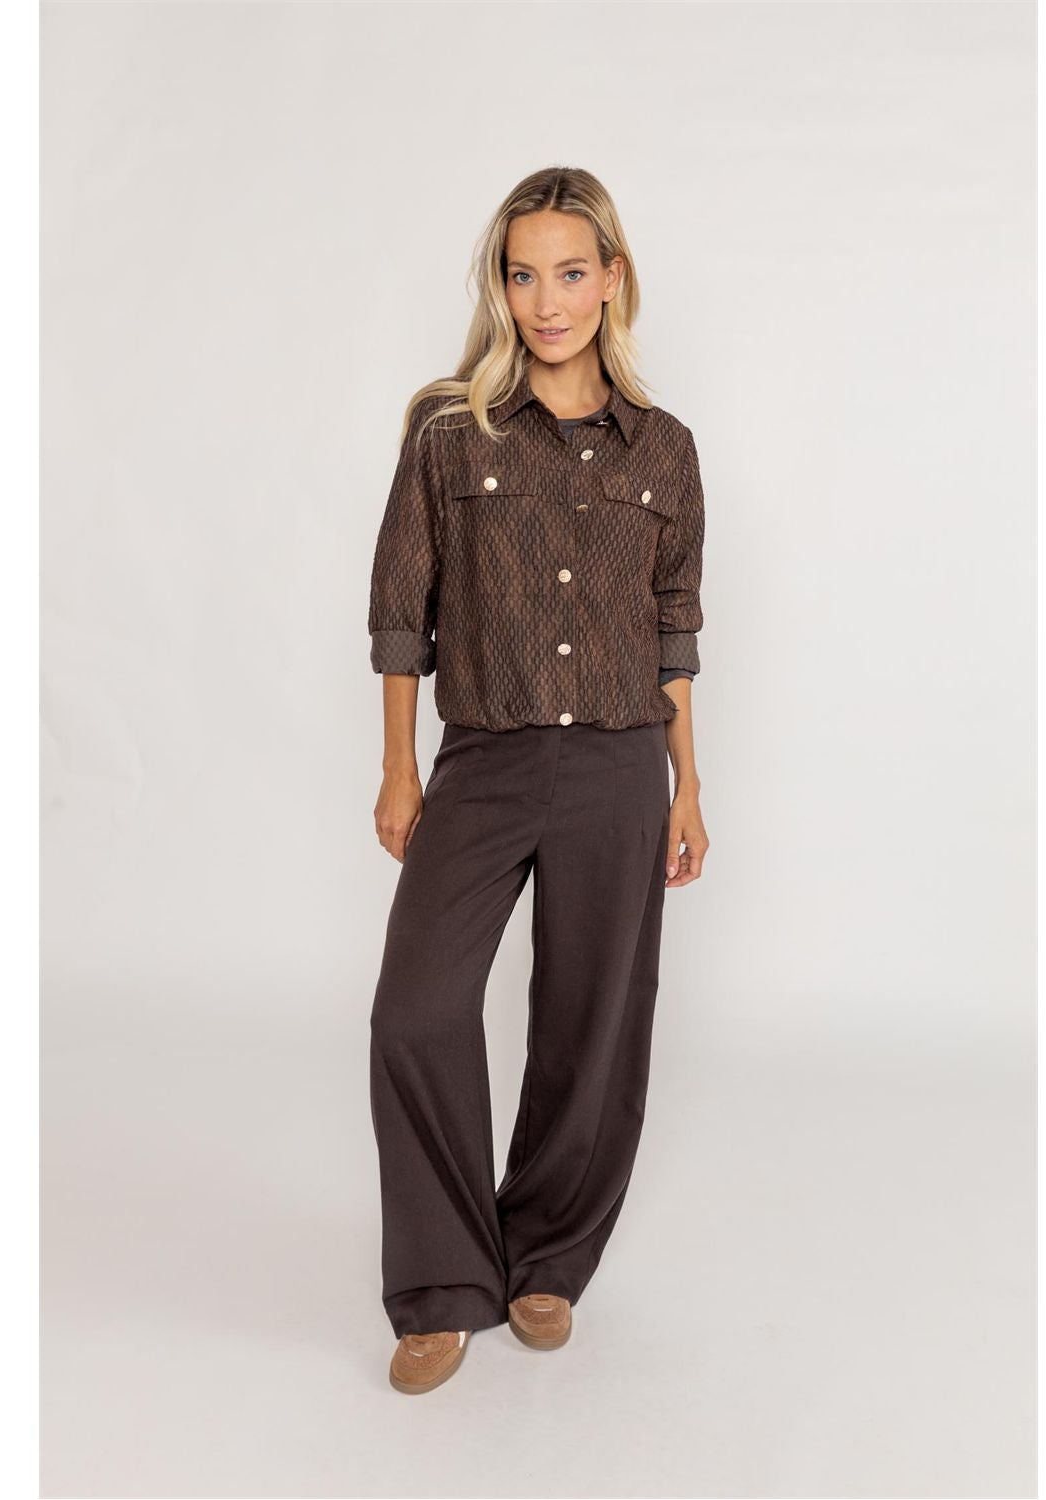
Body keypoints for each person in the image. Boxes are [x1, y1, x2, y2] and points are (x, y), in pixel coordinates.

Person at [366, 165, 709, 1395]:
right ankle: (443, 1282)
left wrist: (686, 784)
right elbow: (400, 610)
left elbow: (674, 631)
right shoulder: (448, 431)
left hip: (619, 762)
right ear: (499, 286)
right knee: (416, 1010)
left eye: (571, 272)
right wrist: (400, 768)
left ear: (613, 278)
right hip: (485, 756)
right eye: (523, 275)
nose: (547, 302)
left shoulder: (664, 450)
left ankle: (548, 1257)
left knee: (589, 1022)